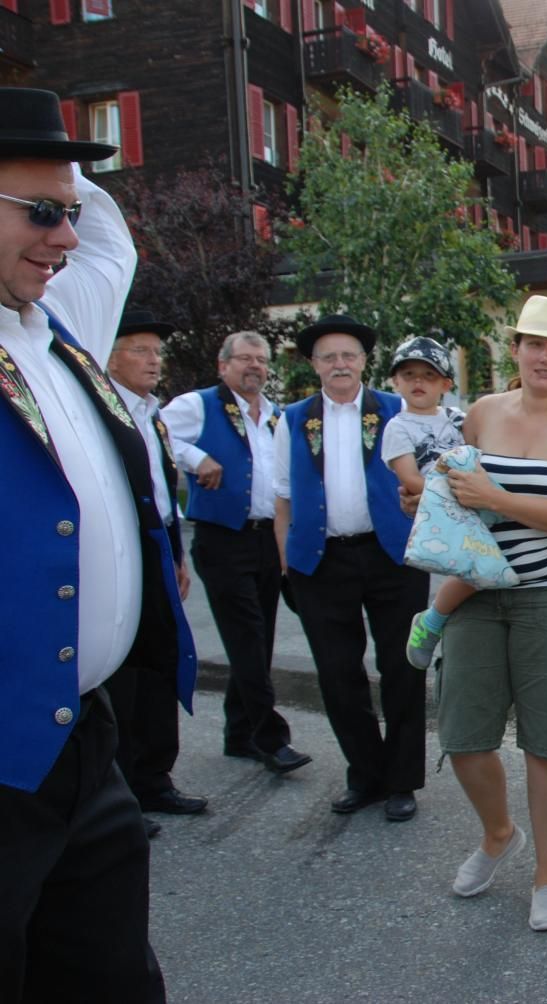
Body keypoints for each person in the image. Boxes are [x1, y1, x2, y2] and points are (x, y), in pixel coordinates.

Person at [0, 86, 196, 1001]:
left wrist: (67, 180)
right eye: (42, 213)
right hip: (6, 748)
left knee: (111, 976)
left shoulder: (55, 332)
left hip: (84, 736)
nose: (66, 237)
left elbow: (107, 236)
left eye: (70, 211)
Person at [436, 294, 547, 932]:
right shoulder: (482, 412)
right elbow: (461, 497)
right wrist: (434, 502)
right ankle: (496, 833)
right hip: (480, 592)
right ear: (515, 349)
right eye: (535, 343)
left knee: (546, 744)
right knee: (462, 736)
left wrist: (496, 496)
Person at [273, 314, 428, 822]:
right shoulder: (293, 419)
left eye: (349, 355)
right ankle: (366, 774)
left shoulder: (397, 410)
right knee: (338, 676)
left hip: (393, 556)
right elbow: (283, 500)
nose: (340, 364)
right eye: (328, 356)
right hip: (321, 562)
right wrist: (286, 568)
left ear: (364, 362)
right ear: (314, 365)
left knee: (402, 669)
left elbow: (434, 477)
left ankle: (402, 780)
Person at [162, 329, 311, 775]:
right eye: (245, 359)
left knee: (259, 638)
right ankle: (271, 738)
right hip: (224, 537)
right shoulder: (198, 404)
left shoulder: (275, 415)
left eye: (262, 360)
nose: (255, 367)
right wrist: (195, 458)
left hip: (268, 538)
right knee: (246, 635)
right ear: (223, 365)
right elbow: (152, 433)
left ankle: (239, 733)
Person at [104, 308, 205, 824]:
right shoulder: (102, 409)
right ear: (109, 355)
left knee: (163, 661)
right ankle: (118, 794)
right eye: (140, 350)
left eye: (156, 351)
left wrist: (177, 554)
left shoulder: (152, 412)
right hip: (120, 548)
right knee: (123, 671)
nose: (153, 359)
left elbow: (165, 488)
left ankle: (154, 779)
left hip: (160, 542)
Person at [383, 333, 476, 669]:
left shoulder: (458, 420)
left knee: (494, 562)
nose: (418, 382)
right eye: (408, 375)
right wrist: (457, 495)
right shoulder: (398, 427)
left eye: (429, 375)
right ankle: (432, 621)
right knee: (474, 566)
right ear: (395, 381)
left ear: (446, 384)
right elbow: (409, 478)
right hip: (442, 511)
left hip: (471, 499)